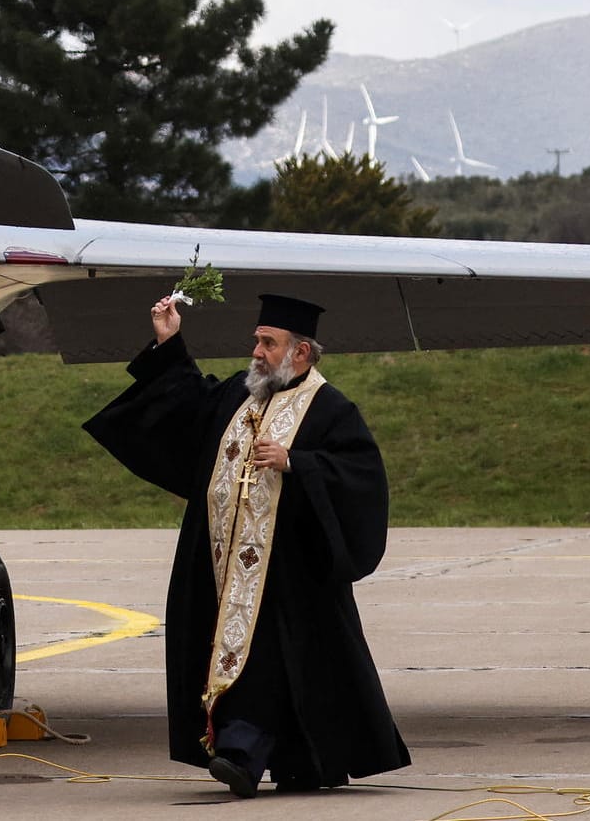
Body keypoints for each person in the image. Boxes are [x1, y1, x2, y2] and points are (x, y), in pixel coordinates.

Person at [83, 292, 410, 798]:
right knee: (237, 659)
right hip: (219, 566)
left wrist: (296, 462)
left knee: (274, 665)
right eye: (257, 341)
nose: (256, 352)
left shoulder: (330, 408)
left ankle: (242, 754)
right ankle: (287, 762)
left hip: (288, 577)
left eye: (268, 343)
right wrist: (170, 340)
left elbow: (360, 475)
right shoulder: (241, 393)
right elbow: (187, 399)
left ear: (301, 353)